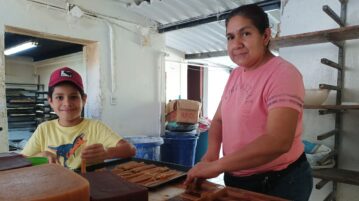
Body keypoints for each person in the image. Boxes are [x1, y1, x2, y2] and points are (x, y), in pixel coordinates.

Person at [184, 4, 312, 201]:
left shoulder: (283, 74)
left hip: (278, 181)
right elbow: (218, 120)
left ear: (266, 35)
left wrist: (217, 165)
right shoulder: (236, 74)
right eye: (230, 37)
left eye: (246, 33)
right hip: (237, 178)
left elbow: (277, 141)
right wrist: (211, 155)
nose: (237, 44)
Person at [22, 67, 136, 170]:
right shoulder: (44, 129)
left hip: (92, 188)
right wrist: (41, 155)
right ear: (50, 101)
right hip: (54, 186)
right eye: (59, 97)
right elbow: (21, 160)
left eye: (73, 97)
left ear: (84, 99)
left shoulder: (95, 127)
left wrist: (106, 152)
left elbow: (130, 149)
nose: (67, 103)